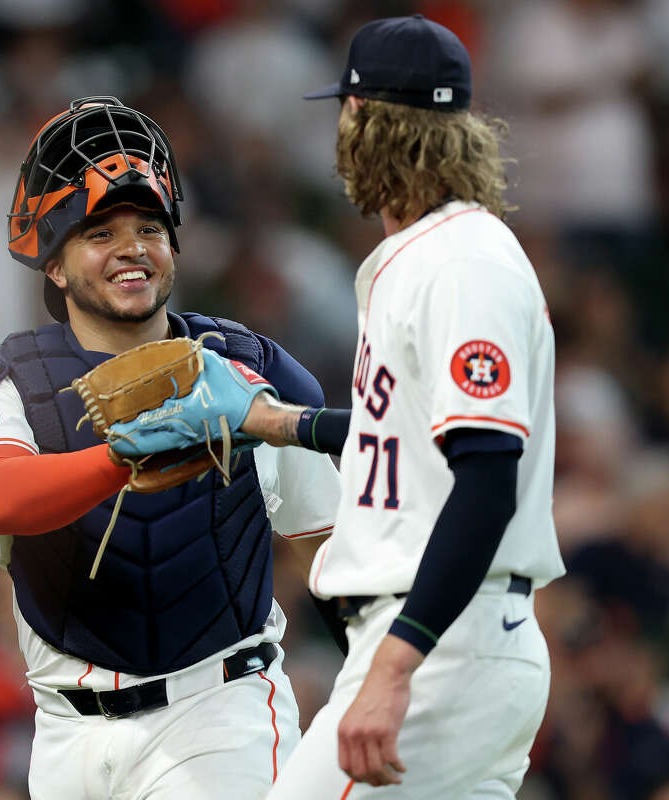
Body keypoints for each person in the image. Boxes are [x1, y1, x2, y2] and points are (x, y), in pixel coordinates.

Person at [109, 15, 565, 798]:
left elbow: (485, 479)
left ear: (368, 119)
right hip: (454, 645)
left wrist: (395, 665)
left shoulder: (460, 263)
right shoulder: (432, 255)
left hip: (431, 644)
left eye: (343, 112)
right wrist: (273, 421)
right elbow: (417, 438)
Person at [0, 96, 341, 800]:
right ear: (54, 267)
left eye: (150, 226)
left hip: (219, 717)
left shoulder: (247, 367)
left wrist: (390, 685)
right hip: (66, 740)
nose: (131, 247)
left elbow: (334, 548)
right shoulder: (3, 384)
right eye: (99, 232)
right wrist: (123, 459)